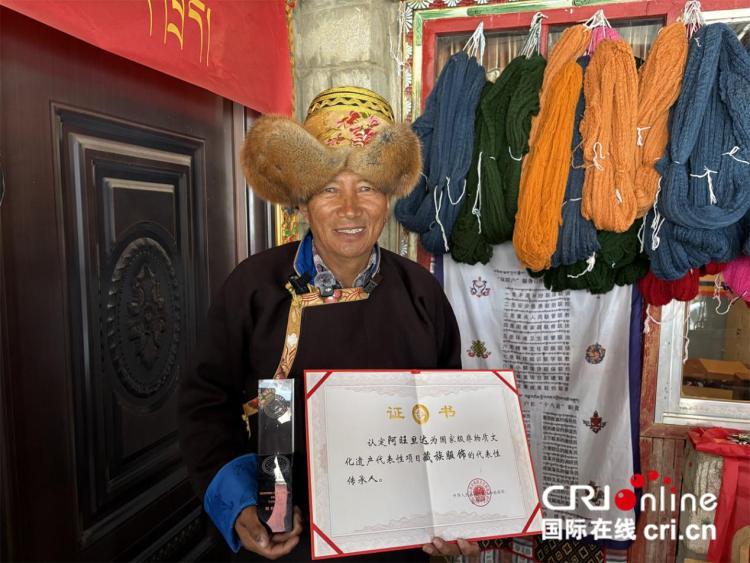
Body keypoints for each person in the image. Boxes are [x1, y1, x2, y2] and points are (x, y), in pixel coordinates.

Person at [178, 86, 478, 561]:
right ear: (302, 203)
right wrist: (241, 506)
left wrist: (459, 511)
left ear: (388, 199)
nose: (350, 209)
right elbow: (205, 403)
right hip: (287, 537)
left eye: (368, 187)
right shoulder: (254, 288)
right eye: (329, 189)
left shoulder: (422, 294)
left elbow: (447, 420)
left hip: (399, 542)